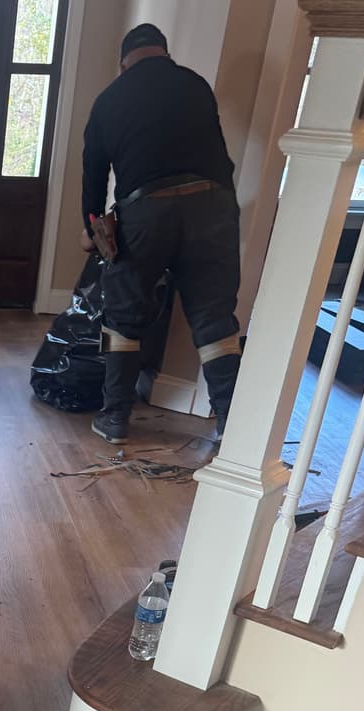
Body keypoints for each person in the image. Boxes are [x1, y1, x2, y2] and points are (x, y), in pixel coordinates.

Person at [82, 23, 242, 445]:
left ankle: (114, 419)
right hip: (213, 206)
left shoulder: (109, 100)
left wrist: (94, 229)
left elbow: (93, 176)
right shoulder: (195, 85)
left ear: (123, 63)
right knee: (214, 320)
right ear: (164, 53)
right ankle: (230, 422)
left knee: (124, 317)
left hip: (145, 210)